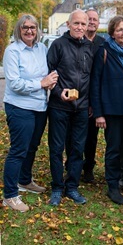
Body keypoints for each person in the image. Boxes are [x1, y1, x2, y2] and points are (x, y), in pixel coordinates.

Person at [2, 14, 58, 212]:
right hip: (19, 107)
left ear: (37, 30)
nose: (29, 31)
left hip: (39, 107)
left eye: (33, 27)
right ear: (19, 29)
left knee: (32, 147)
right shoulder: (13, 51)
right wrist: (41, 83)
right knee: (18, 150)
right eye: (25, 27)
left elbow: (49, 73)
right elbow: (15, 83)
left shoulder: (42, 48)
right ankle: (9, 195)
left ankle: (24, 180)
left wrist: (51, 80)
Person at [90, 16, 123, 205]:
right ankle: (112, 185)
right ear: (112, 33)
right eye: (120, 30)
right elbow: (95, 83)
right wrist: (98, 113)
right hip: (112, 110)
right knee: (113, 150)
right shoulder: (104, 51)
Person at [47, 9, 95, 206]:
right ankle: (57, 187)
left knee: (77, 149)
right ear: (68, 24)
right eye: (76, 23)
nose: (80, 27)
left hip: (82, 108)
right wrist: (59, 92)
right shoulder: (58, 45)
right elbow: (49, 72)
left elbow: (92, 77)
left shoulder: (89, 48)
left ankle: (72, 187)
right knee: (57, 148)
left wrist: (91, 102)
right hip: (59, 106)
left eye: (83, 24)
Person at [81, 9, 104, 183]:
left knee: (91, 137)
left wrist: (95, 104)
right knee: (73, 136)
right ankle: (72, 167)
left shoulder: (103, 44)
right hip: (75, 98)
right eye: (88, 19)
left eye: (95, 19)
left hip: (94, 98)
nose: (91, 22)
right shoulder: (76, 41)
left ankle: (88, 168)